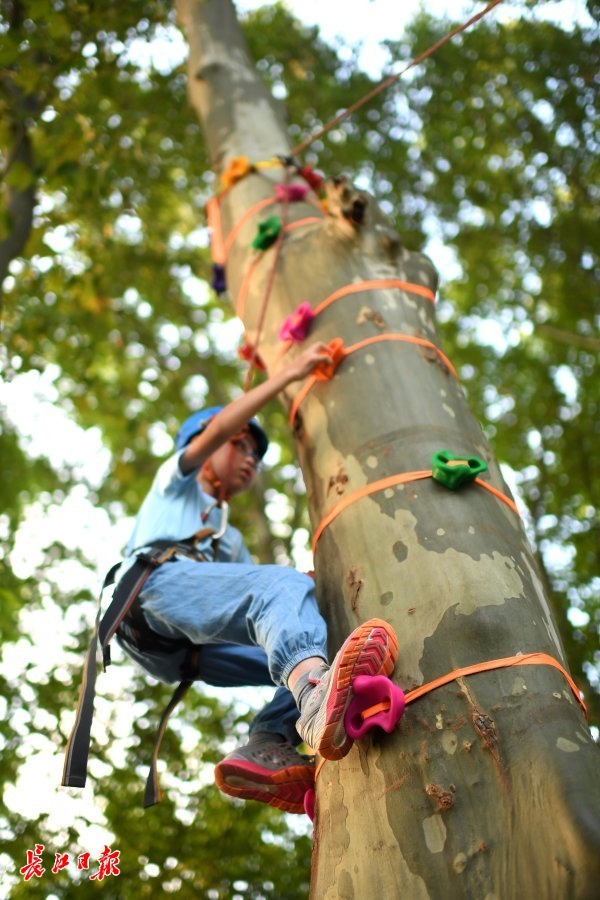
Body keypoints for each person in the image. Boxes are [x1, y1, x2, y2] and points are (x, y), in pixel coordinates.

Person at [114, 341, 398, 814]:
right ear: (202, 444)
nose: (250, 459)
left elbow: (272, 611)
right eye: (240, 444)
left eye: (256, 455)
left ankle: (268, 741)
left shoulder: (227, 541)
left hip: (184, 655)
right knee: (281, 590)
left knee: (309, 636)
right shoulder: (176, 482)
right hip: (151, 592)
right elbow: (270, 589)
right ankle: (315, 696)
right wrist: (291, 374)